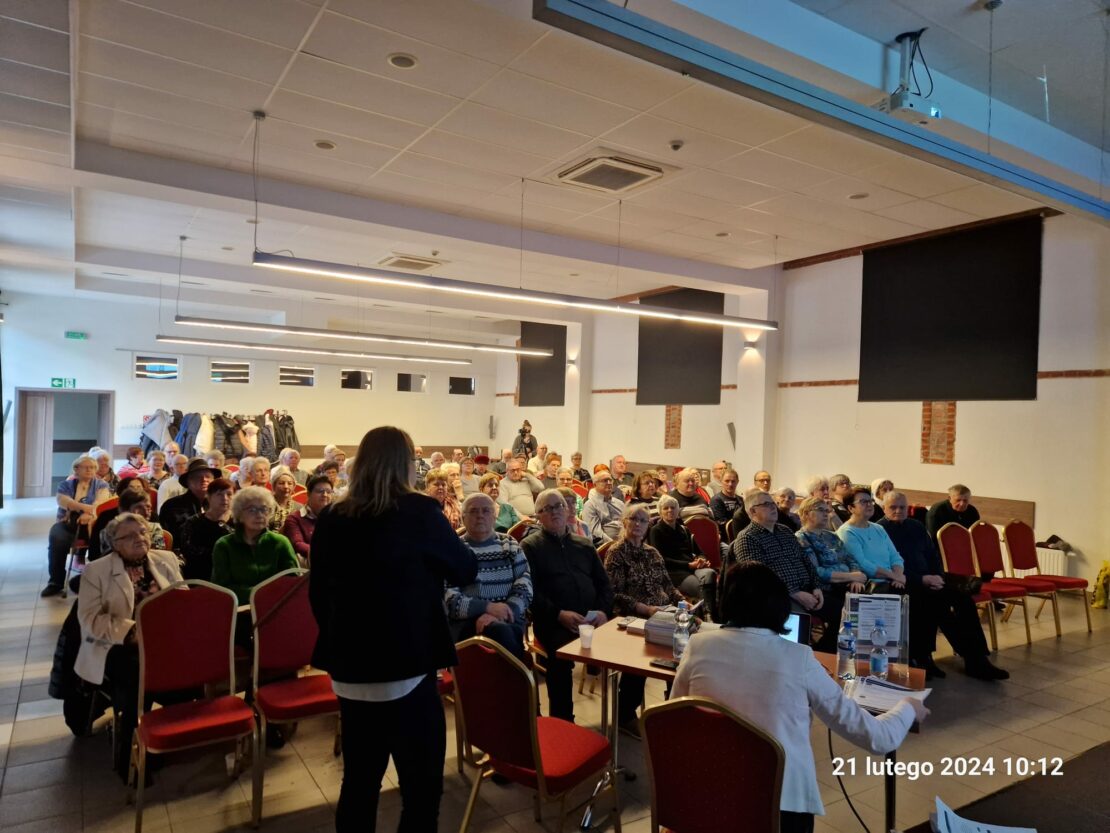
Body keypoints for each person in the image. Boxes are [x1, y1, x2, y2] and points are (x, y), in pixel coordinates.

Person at [672, 563, 927, 833]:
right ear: (780, 606)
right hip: (779, 806)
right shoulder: (799, 658)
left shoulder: (698, 645)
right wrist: (909, 706)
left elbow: (675, 715)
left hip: (707, 800)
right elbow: (878, 738)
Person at [309, 426, 477, 832]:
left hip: (350, 670)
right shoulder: (418, 512)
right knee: (421, 792)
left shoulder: (332, 517)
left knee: (360, 783)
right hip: (407, 669)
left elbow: (318, 595)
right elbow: (465, 568)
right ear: (407, 465)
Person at [75, 512, 184, 779]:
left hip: (163, 640)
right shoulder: (96, 570)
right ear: (114, 543)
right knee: (136, 676)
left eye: (143, 532)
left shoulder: (166, 559)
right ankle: (130, 753)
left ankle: (173, 736)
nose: (140, 539)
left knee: (190, 670)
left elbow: (183, 601)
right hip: (116, 644)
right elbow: (89, 618)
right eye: (130, 536)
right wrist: (131, 632)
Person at [880, 492, 1008, 681]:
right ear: (884, 508)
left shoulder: (916, 526)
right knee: (933, 604)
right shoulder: (880, 530)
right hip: (902, 582)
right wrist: (922, 580)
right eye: (893, 507)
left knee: (963, 599)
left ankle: (977, 658)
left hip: (930, 579)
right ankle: (927, 658)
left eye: (902, 507)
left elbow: (933, 555)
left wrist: (938, 576)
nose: (898, 511)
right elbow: (885, 565)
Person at [520, 489, 612, 723]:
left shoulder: (584, 544)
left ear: (568, 509)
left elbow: (604, 585)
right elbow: (531, 591)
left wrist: (602, 611)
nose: (555, 512)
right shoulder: (530, 546)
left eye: (559, 505)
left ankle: (625, 713)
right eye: (547, 509)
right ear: (538, 515)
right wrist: (559, 614)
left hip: (593, 620)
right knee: (560, 661)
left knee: (629, 650)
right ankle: (563, 722)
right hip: (554, 622)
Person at [728, 489, 841, 652]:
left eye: (772, 503)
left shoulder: (785, 531)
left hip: (808, 591)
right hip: (777, 596)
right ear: (753, 511)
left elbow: (806, 561)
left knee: (844, 614)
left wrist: (816, 587)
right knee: (801, 623)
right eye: (766, 504)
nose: (773, 507)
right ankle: (801, 657)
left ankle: (820, 654)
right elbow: (758, 578)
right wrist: (795, 593)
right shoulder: (747, 538)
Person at [604, 503, 685, 733]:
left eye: (643, 520)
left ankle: (674, 706)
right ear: (624, 522)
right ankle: (625, 715)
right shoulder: (616, 552)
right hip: (634, 615)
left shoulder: (653, 552)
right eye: (633, 519)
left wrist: (681, 601)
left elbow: (667, 585)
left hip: (663, 613)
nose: (638, 524)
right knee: (641, 658)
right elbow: (614, 593)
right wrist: (644, 608)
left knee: (681, 654)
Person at [446, 493, 533, 659]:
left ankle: (513, 680)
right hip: (467, 624)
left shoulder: (510, 544)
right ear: (463, 518)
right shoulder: (454, 550)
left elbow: (525, 586)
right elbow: (449, 599)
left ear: (494, 516)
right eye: (473, 511)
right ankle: (519, 680)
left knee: (504, 630)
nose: (480, 515)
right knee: (502, 632)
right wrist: (487, 608)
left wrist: (505, 611)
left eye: (486, 510)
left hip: (509, 616)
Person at [211, 486, 298, 607]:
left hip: (276, 607)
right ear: (239, 514)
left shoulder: (280, 542)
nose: (259, 515)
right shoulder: (224, 545)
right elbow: (221, 587)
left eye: (264, 509)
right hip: (237, 611)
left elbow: (293, 581)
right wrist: (258, 594)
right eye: (252, 510)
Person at [42, 455, 112, 597]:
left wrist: (88, 513)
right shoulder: (65, 485)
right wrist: (86, 509)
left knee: (104, 538)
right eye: (85, 467)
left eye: (92, 467)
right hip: (68, 523)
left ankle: (98, 581)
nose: (89, 470)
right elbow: (64, 501)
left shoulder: (102, 485)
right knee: (56, 536)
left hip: (94, 524)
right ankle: (55, 582)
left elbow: (101, 503)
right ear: (76, 469)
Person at [649, 494, 717, 620]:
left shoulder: (683, 529)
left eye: (673, 507)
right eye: (666, 508)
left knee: (710, 574)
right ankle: (707, 616)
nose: (670, 510)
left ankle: (711, 613)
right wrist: (688, 565)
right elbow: (661, 559)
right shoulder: (656, 531)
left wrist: (702, 560)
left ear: (678, 510)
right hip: (675, 572)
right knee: (700, 586)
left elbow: (699, 551)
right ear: (660, 511)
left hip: (692, 567)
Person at [836, 488, 906, 590]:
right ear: (851, 508)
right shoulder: (847, 532)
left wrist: (898, 577)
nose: (869, 505)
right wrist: (894, 576)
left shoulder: (878, 528)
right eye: (863, 502)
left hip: (891, 582)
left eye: (870, 501)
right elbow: (862, 564)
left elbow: (895, 556)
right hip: (868, 586)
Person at [794, 498, 866, 594]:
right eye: (820, 510)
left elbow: (850, 559)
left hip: (848, 586)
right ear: (806, 514)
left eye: (827, 510)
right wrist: (852, 576)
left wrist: (856, 580)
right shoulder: (801, 538)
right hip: (826, 591)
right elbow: (816, 572)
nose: (825, 514)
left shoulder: (832, 535)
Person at [178, 478, 235, 581]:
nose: (225, 498)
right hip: (202, 575)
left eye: (229, 494)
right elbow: (189, 551)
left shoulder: (239, 522)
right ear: (208, 497)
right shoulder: (193, 522)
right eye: (219, 494)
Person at [159, 458, 219, 547]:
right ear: (188, 482)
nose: (204, 479)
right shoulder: (172, 506)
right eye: (198, 477)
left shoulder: (218, 504)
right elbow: (169, 537)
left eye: (208, 476)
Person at [283, 474, 333, 565]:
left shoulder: (336, 517)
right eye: (320, 491)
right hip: (308, 567)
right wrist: (326, 554)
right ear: (309, 494)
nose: (325, 495)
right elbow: (298, 544)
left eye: (329, 491)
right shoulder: (294, 518)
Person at [581, 468, 624, 544]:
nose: (609, 483)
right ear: (595, 485)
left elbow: (628, 525)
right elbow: (596, 533)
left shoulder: (620, 503)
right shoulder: (590, 505)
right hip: (604, 546)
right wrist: (614, 545)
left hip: (623, 542)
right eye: (605, 480)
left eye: (610, 480)